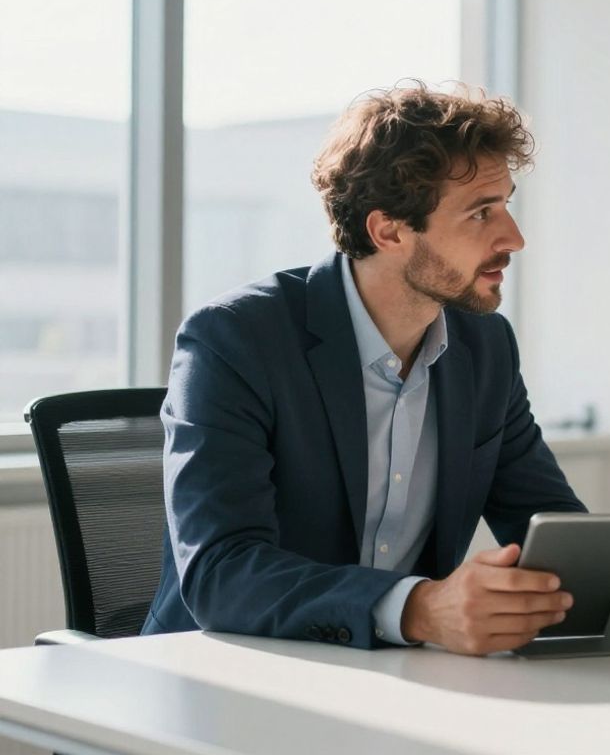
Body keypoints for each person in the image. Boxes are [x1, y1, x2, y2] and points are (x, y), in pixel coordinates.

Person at [142, 83, 586, 655]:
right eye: (481, 213)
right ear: (389, 231)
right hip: (221, 670)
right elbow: (221, 572)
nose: (514, 239)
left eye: (506, 205)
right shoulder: (235, 340)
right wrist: (420, 608)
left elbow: (553, 535)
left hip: (395, 676)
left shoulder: (485, 348)